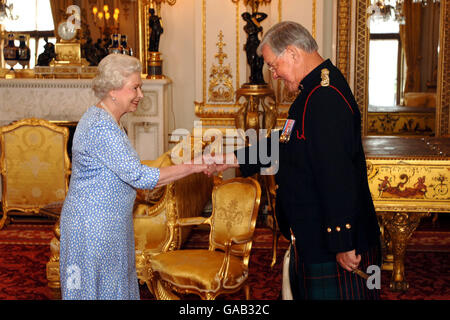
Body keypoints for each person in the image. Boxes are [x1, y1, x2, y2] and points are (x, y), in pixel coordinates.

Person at [207, 21, 381, 300]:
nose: (274, 75)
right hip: (315, 237)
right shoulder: (311, 94)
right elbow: (284, 145)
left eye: (274, 66)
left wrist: (343, 241)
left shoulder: (325, 98)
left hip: (334, 244)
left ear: (293, 52)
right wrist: (231, 158)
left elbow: (336, 175)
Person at [59, 54, 209, 300]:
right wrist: (194, 166)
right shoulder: (101, 127)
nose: (140, 94)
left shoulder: (108, 120)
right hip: (91, 230)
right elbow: (140, 176)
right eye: (135, 87)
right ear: (112, 90)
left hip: (107, 225)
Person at [242, 11, 267, 84]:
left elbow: (265, 15)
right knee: (250, 61)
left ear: (248, 16)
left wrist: (256, 13)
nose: (245, 19)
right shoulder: (245, 27)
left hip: (255, 43)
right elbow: (248, 36)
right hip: (249, 43)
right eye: (244, 18)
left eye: (245, 17)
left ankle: (256, 77)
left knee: (255, 60)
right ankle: (252, 78)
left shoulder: (255, 22)